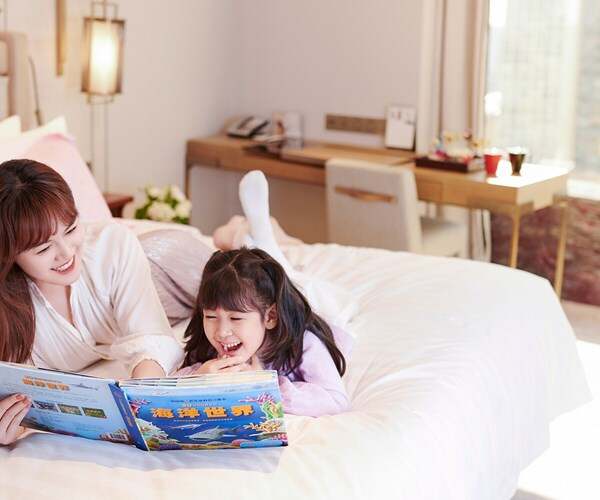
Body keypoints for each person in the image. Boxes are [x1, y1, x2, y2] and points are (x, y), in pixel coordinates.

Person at [0, 159, 183, 445]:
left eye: (71, 228)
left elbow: (153, 339)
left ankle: (238, 233)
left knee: (227, 283)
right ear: (10, 255)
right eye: (44, 248)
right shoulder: (9, 307)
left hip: (160, 270)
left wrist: (137, 405)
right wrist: (13, 425)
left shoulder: (113, 245)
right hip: (127, 283)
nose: (66, 253)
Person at [174, 247, 352, 417]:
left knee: (321, 294)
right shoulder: (210, 342)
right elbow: (170, 386)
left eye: (235, 318)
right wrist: (197, 380)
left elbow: (335, 400)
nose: (221, 332)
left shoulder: (305, 342)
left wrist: (263, 385)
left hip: (316, 317)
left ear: (270, 317)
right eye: (211, 316)